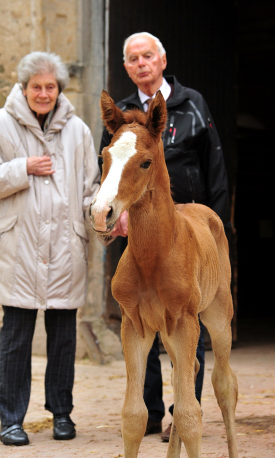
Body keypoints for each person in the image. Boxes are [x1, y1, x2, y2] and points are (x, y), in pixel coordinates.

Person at [100, 32, 232, 442]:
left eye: (147, 56)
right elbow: (110, 170)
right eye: (133, 59)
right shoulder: (122, 115)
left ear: (162, 60)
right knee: (142, 313)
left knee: (185, 311)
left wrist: (219, 222)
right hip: (139, 224)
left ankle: (183, 409)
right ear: (126, 67)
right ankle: (152, 411)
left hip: (187, 224)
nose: (141, 63)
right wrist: (113, 213)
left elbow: (214, 161)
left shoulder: (191, 103)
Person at [0, 51, 100, 446]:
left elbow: (90, 188)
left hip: (63, 246)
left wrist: (104, 217)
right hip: (18, 248)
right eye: (36, 87)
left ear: (60, 89)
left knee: (63, 337)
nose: (43, 93)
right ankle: (11, 419)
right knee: (16, 337)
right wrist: (22, 167)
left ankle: (61, 414)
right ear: (23, 88)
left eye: (51, 87)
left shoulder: (78, 130)